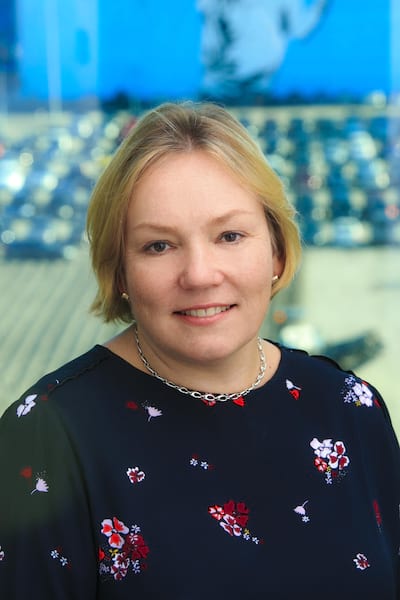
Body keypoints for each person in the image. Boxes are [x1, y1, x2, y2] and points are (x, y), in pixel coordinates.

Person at [0, 101, 398, 599]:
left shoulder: (351, 409)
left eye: (230, 235)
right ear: (120, 272)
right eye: (159, 246)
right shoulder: (45, 440)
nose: (200, 274)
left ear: (276, 250)